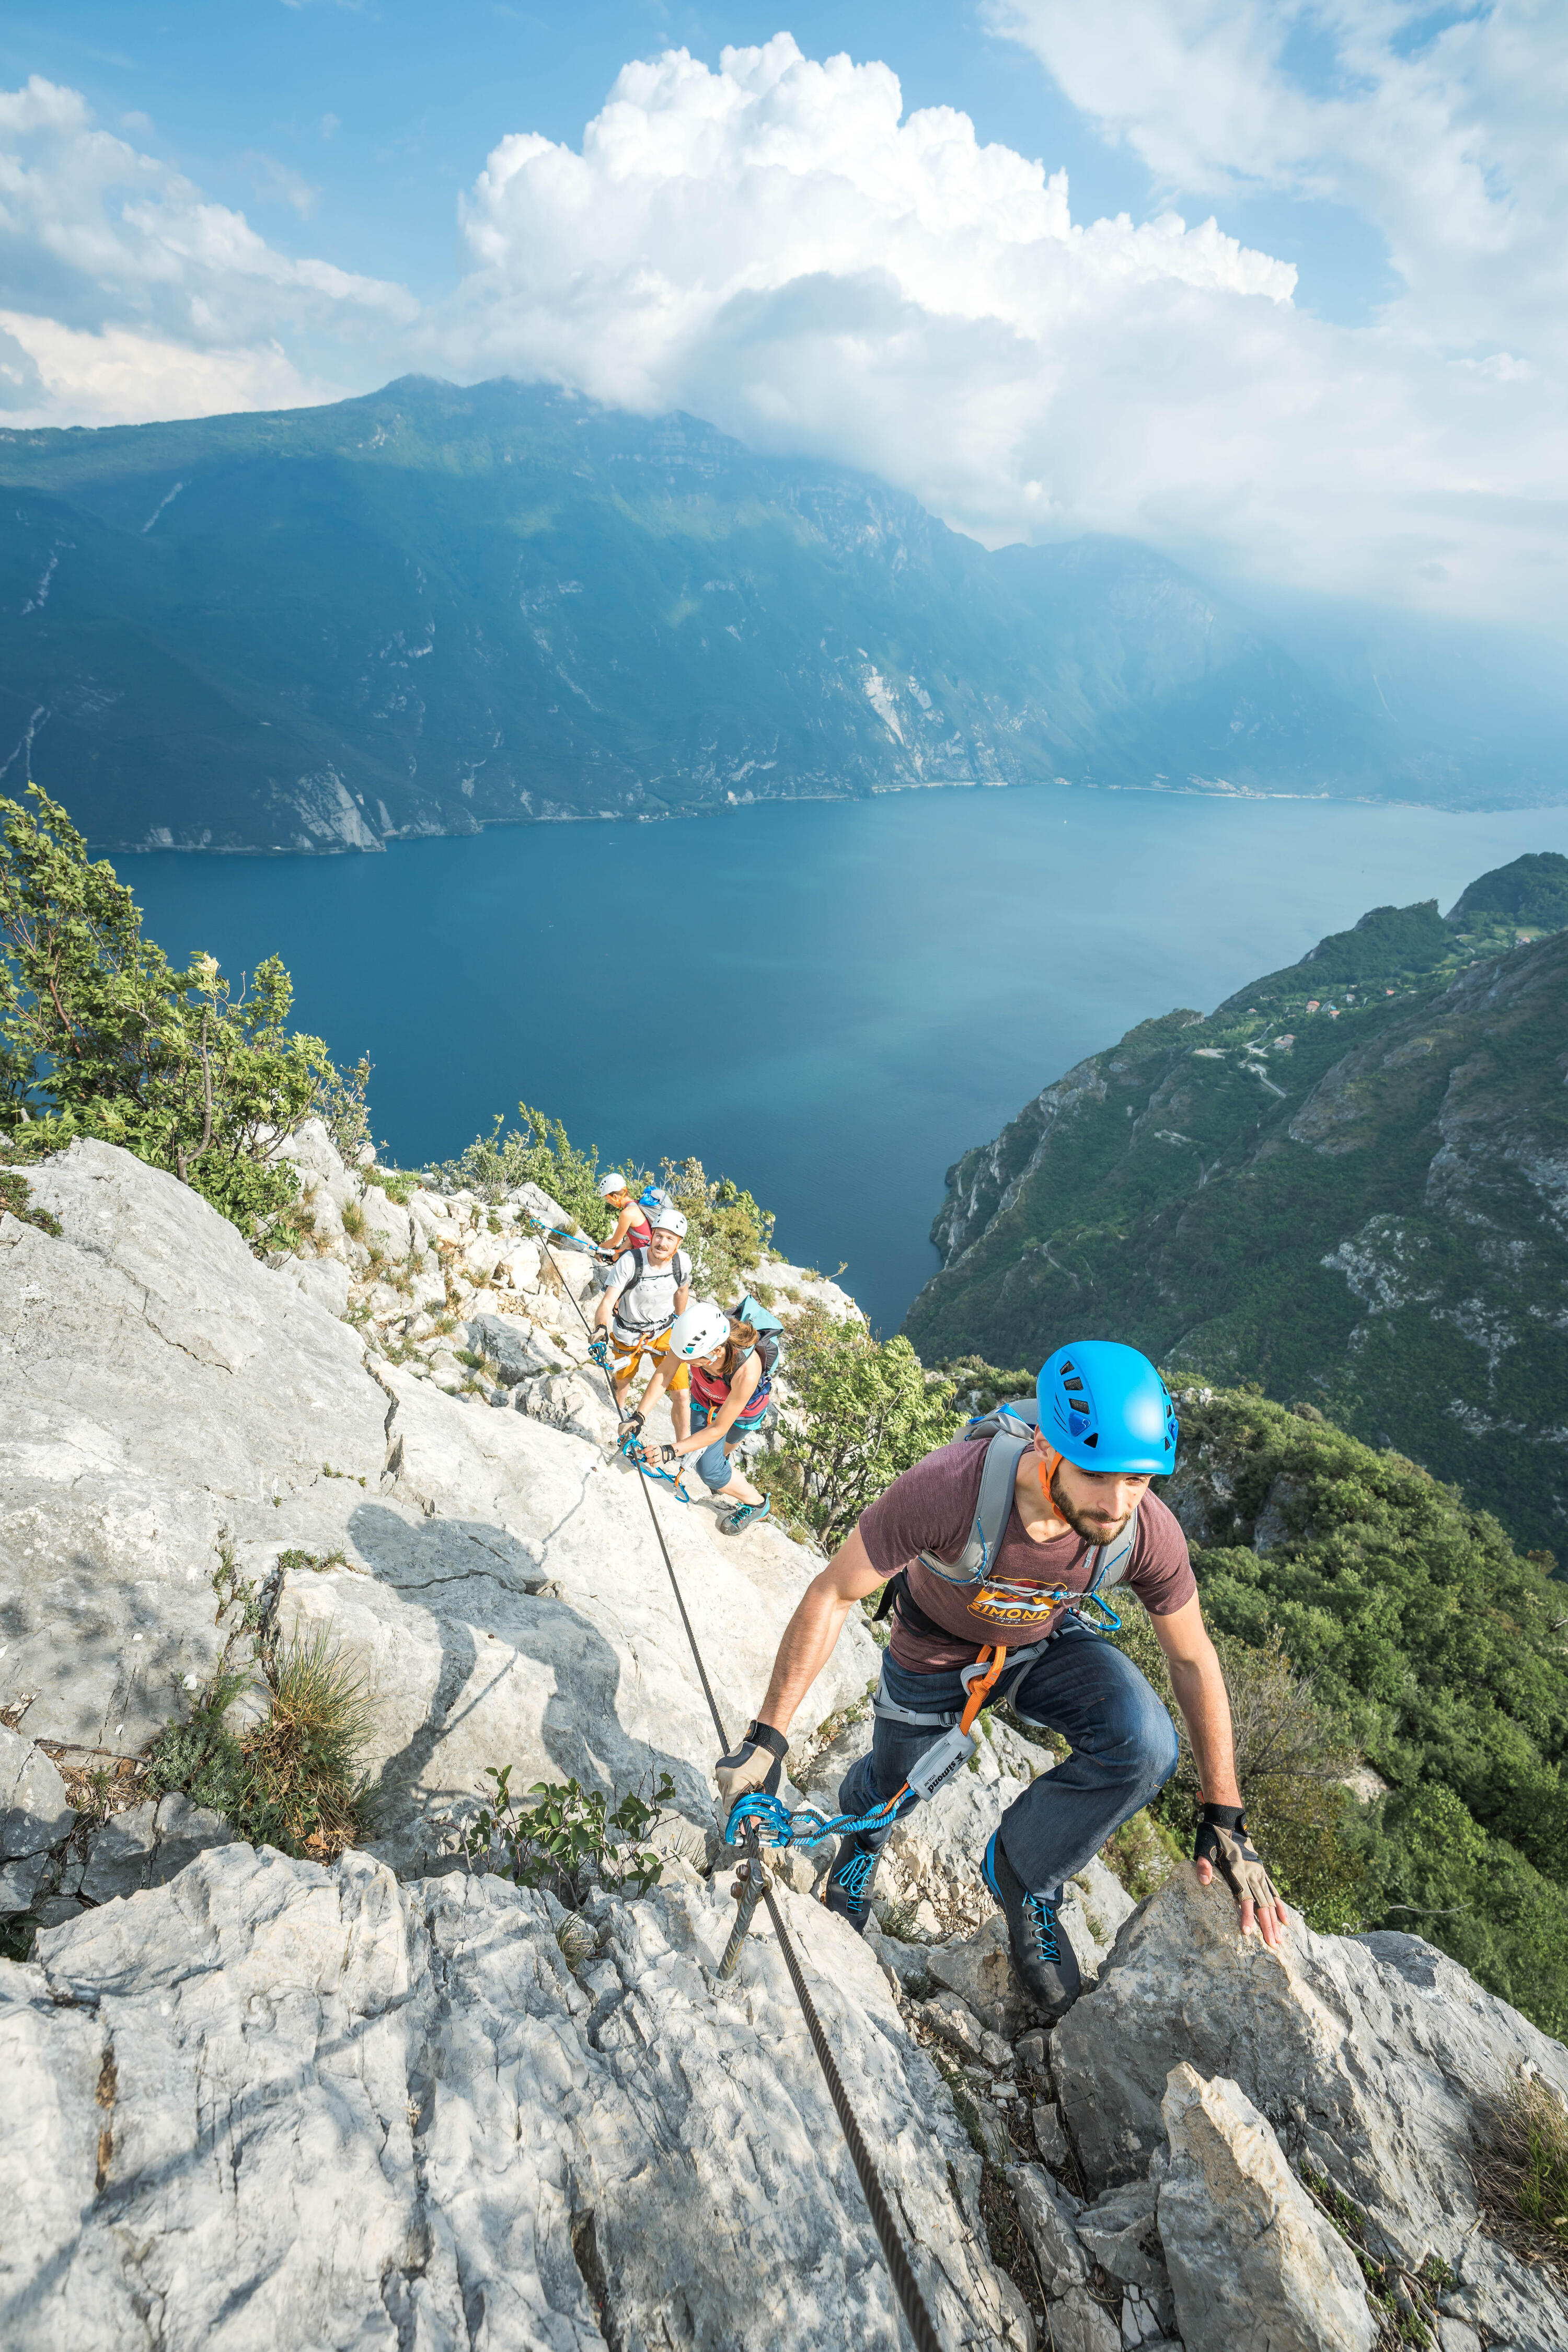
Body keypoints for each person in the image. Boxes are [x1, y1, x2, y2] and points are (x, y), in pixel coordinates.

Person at [713, 1340, 1286, 2017]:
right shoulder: (953, 1487)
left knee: (1145, 1744)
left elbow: (1193, 1659)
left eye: (1139, 1479)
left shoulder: (1143, 1532)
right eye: (1099, 1473)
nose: (1118, 1502)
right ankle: (863, 1839)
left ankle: (1025, 1873)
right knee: (897, 1784)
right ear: (1047, 1443)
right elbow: (834, 1593)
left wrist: (1225, 1813)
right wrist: (767, 1739)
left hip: (1043, 1639)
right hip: (936, 1643)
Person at [636, 1299, 776, 1536]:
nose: (686, 1363)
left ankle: (758, 1504)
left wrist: (671, 1451)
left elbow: (720, 1428)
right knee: (711, 1468)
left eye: (693, 1361)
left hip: (742, 1413)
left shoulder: (747, 1371)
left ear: (716, 1352)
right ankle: (721, 1477)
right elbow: (666, 1372)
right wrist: (638, 1417)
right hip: (706, 1399)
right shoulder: (696, 1343)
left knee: (713, 1466)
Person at [591, 1207, 693, 1438]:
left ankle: (682, 1447)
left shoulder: (682, 1264)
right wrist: (601, 1328)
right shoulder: (630, 1262)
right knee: (622, 1385)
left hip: (665, 1331)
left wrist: (680, 1319)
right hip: (629, 1333)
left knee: (681, 1394)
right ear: (652, 1235)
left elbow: (682, 1289)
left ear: (679, 1243)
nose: (662, 1243)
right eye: (659, 1236)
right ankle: (618, 1427)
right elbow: (608, 1302)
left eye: (670, 1238)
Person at [596, 1172, 652, 1265]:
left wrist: (599, 1248)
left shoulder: (627, 1213)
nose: (608, 1202)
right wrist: (619, 1252)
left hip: (645, 1257)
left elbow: (615, 1242)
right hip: (648, 1252)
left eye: (607, 1199)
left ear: (615, 1197)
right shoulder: (636, 1205)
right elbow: (635, 1236)